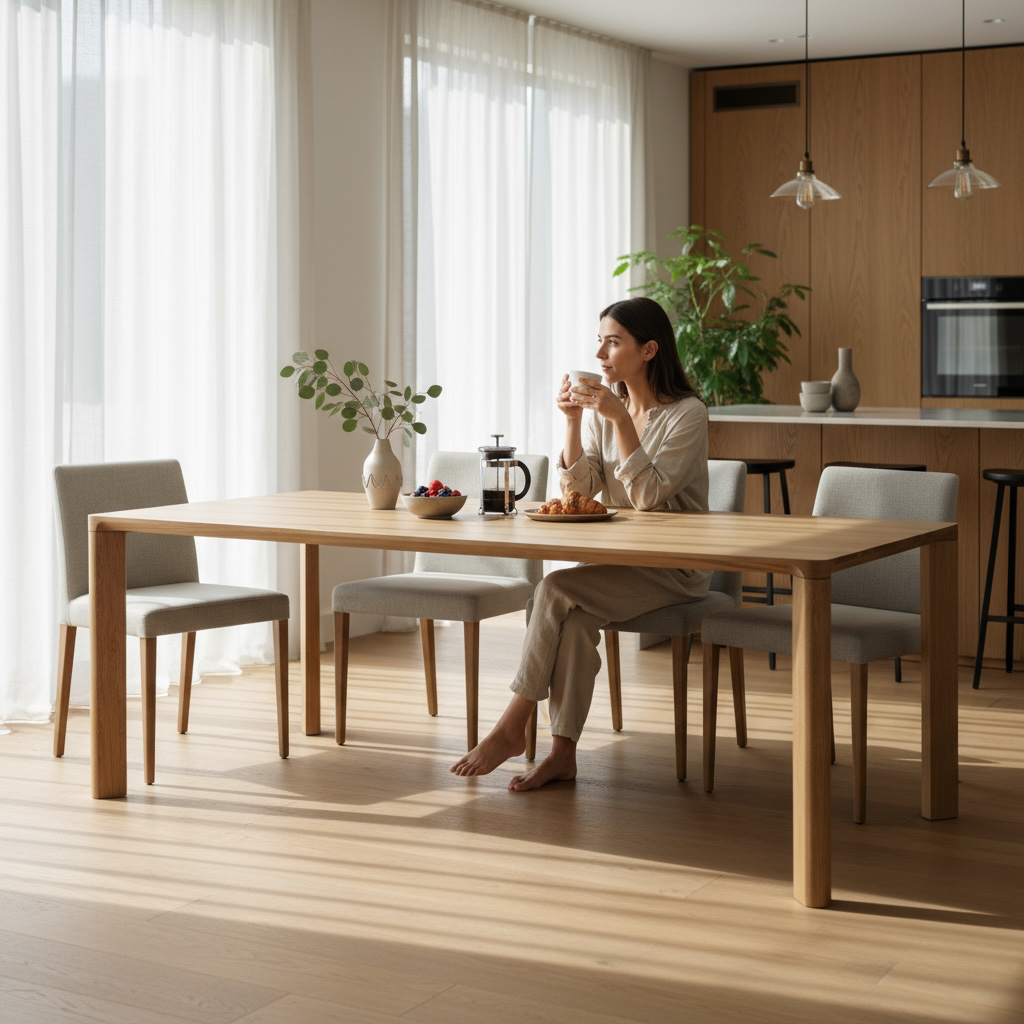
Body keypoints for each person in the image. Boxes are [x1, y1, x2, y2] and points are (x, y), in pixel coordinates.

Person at [450, 296, 711, 791]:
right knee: (570, 620)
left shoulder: (687, 414)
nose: (600, 356)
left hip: (675, 568)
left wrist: (618, 420)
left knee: (551, 591)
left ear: (649, 349)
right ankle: (562, 755)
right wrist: (573, 420)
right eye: (599, 342)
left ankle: (511, 725)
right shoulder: (601, 411)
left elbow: (648, 498)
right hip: (616, 564)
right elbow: (577, 492)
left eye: (613, 342)